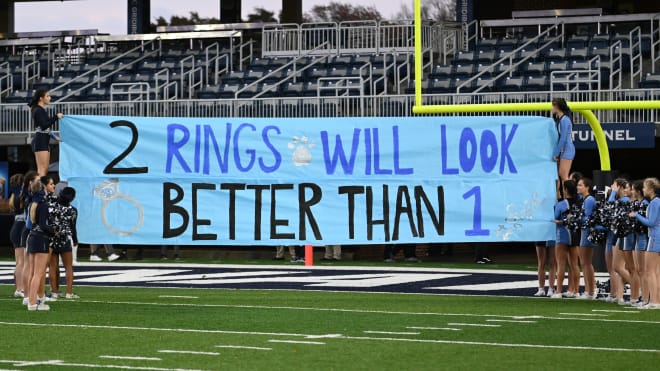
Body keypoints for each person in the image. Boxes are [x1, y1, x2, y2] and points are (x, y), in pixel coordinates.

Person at [629, 178, 660, 309]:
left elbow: (651, 222)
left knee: (650, 271)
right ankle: (655, 300)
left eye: (645, 187)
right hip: (656, 237)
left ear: (651, 189)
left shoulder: (654, 202)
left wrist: (636, 215)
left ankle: (653, 302)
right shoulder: (656, 201)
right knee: (655, 272)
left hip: (654, 238)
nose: (643, 189)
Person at [25, 180, 55, 311]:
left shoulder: (31, 203)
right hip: (41, 238)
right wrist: (54, 230)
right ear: (42, 189)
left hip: (31, 237)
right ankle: (32, 303)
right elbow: (43, 225)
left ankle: (33, 300)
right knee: (38, 273)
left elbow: (31, 224)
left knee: (33, 273)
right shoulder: (43, 204)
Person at [48, 187, 79, 299]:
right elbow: (73, 227)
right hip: (64, 239)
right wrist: (75, 240)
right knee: (68, 267)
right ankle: (69, 293)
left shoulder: (52, 206)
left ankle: (54, 292)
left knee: (53, 266)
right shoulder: (73, 210)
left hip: (52, 238)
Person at [610, 179, 637, 305]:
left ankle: (638, 288)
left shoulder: (624, 200)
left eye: (627, 187)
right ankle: (620, 296)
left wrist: (612, 193)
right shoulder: (621, 200)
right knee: (619, 268)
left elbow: (609, 208)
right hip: (618, 235)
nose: (627, 190)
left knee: (618, 267)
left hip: (624, 236)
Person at [552, 180, 580, 298]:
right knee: (574, 264)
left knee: (561, 264)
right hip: (575, 234)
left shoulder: (562, 203)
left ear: (566, 190)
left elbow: (555, 217)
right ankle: (576, 291)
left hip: (563, 234)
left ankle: (558, 291)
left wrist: (560, 221)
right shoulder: (579, 202)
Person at [28, 89, 63, 177]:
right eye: (47, 96)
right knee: (42, 170)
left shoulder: (40, 110)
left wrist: (55, 137)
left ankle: (38, 189)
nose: (49, 98)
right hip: (40, 141)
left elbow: (45, 128)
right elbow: (43, 126)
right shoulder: (38, 110)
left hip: (43, 140)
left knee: (45, 169)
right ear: (41, 98)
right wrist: (56, 117)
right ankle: (37, 189)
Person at [19, 171, 40, 305]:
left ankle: (30, 294)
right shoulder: (30, 197)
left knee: (30, 266)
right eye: (38, 180)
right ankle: (27, 295)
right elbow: (29, 220)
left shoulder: (30, 196)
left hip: (29, 231)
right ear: (30, 182)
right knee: (28, 265)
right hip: (29, 231)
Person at [577, 177, 597, 299]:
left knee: (586, 263)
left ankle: (590, 291)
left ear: (587, 187)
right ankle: (589, 290)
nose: (578, 187)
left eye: (580, 185)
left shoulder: (589, 200)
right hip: (585, 232)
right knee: (585, 263)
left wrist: (576, 218)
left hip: (587, 233)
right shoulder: (585, 199)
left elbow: (588, 218)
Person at [631, 180, 649, 307]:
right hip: (638, 238)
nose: (631, 192)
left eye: (633, 189)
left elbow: (645, 223)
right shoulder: (639, 203)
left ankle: (646, 298)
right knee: (639, 270)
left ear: (638, 191)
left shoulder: (645, 204)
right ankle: (644, 297)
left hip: (643, 238)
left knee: (643, 270)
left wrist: (634, 216)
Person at [8, 173, 25, 298]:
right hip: (20, 227)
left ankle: (18, 288)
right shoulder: (21, 195)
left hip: (15, 227)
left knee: (19, 261)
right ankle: (20, 288)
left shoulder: (13, 195)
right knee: (22, 262)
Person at [551, 98, 575, 184]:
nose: (552, 108)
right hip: (566, 149)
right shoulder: (562, 119)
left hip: (567, 149)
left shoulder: (564, 120)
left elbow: (563, 138)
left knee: (564, 175)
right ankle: (566, 195)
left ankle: (571, 196)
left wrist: (556, 153)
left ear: (557, 107)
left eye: (553, 106)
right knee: (562, 175)